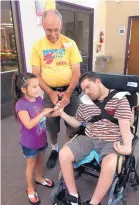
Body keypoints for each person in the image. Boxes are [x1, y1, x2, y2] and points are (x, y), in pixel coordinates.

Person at [52, 72, 133, 205]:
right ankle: (73, 197)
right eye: (83, 89)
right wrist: (61, 113)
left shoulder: (119, 99)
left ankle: (93, 203)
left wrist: (127, 147)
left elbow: (125, 127)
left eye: (88, 87)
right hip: (90, 137)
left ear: (98, 82)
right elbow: (77, 123)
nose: (86, 92)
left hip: (111, 140)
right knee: (64, 153)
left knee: (110, 163)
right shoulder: (85, 102)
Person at [30, 9, 82, 169]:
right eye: (48, 30)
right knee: (52, 126)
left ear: (61, 26)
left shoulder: (70, 44)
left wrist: (67, 94)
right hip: (49, 92)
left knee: (71, 125)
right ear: (43, 27)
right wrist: (51, 93)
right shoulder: (38, 46)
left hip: (70, 92)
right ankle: (54, 150)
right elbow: (36, 74)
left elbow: (76, 72)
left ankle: (68, 153)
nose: (53, 34)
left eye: (56, 30)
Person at [12, 73, 55, 205]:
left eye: (38, 86)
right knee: (31, 164)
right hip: (29, 143)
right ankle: (30, 188)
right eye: (34, 87)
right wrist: (43, 112)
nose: (38, 89)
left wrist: (54, 112)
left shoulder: (39, 100)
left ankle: (39, 177)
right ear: (24, 89)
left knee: (40, 161)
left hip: (41, 138)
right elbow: (29, 124)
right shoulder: (21, 105)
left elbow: (42, 116)